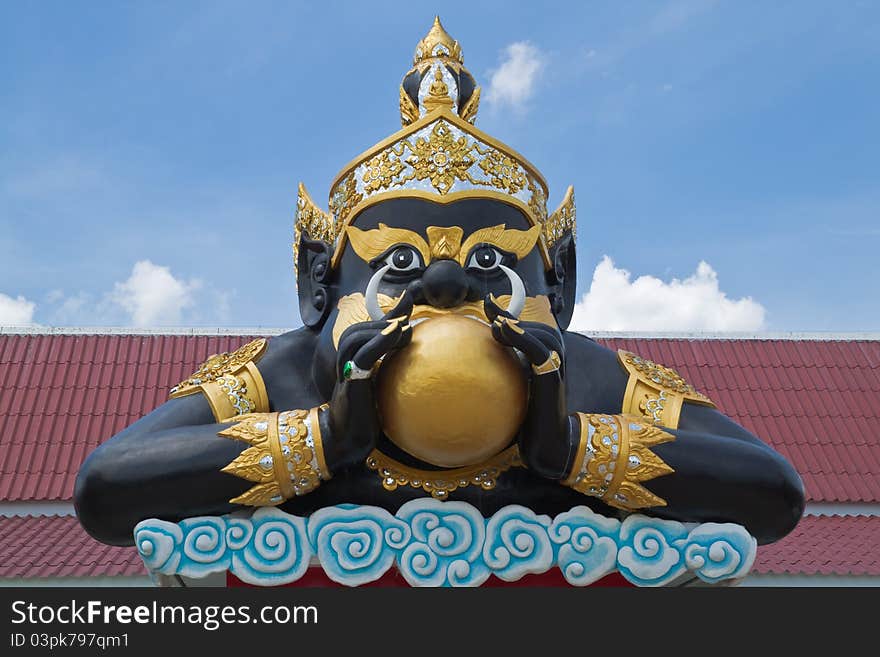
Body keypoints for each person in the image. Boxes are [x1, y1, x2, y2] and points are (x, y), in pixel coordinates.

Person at [75, 17, 804, 548]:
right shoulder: (287, 374)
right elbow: (106, 488)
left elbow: (772, 493)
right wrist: (326, 436)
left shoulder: (578, 375)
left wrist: (569, 445)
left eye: (493, 264)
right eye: (398, 262)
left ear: (559, 284)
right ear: (317, 287)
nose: (448, 283)